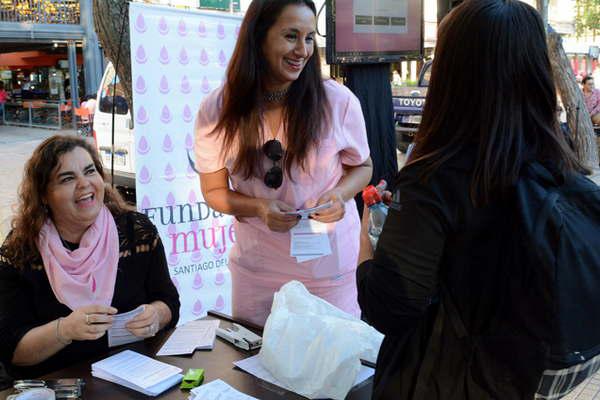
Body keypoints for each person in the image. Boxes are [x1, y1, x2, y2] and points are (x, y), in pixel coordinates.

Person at [357, 1, 590, 399]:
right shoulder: (559, 167)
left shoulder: (435, 179)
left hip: (438, 381)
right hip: (514, 380)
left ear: (451, 74)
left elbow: (388, 307)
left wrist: (368, 226)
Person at [194, 0, 372, 326]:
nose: (302, 50)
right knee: (255, 369)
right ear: (259, 36)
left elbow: (363, 166)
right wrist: (259, 207)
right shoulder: (217, 109)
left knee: (332, 369)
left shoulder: (338, 101)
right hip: (258, 274)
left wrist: (340, 196)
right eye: (291, 36)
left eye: (308, 38)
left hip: (328, 271)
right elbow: (214, 191)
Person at [0, 135, 180, 378]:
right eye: (67, 178)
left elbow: (168, 300)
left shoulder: (137, 231)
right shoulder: (20, 250)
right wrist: (65, 330)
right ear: (43, 195)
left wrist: (156, 316)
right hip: (59, 384)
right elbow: (13, 352)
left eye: (89, 171)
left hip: (137, 376)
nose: (84, 184)